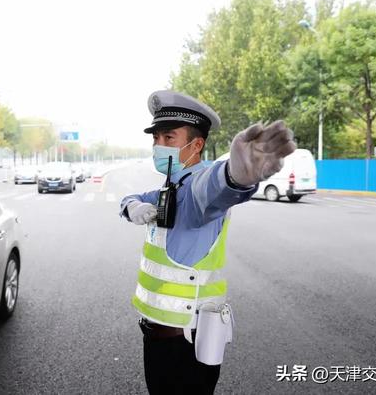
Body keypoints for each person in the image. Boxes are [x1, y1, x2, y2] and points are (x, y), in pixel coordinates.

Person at [120, 90, 296, 394]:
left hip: (184, 346)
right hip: (162, 337)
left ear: (196, 144)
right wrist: (131, 206)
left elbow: (215, 187)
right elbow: (133, 197)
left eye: (169, 138)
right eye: (156, 138)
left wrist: (236, 175)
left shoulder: (196, 187)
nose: (158, 146)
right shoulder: (172, 185)